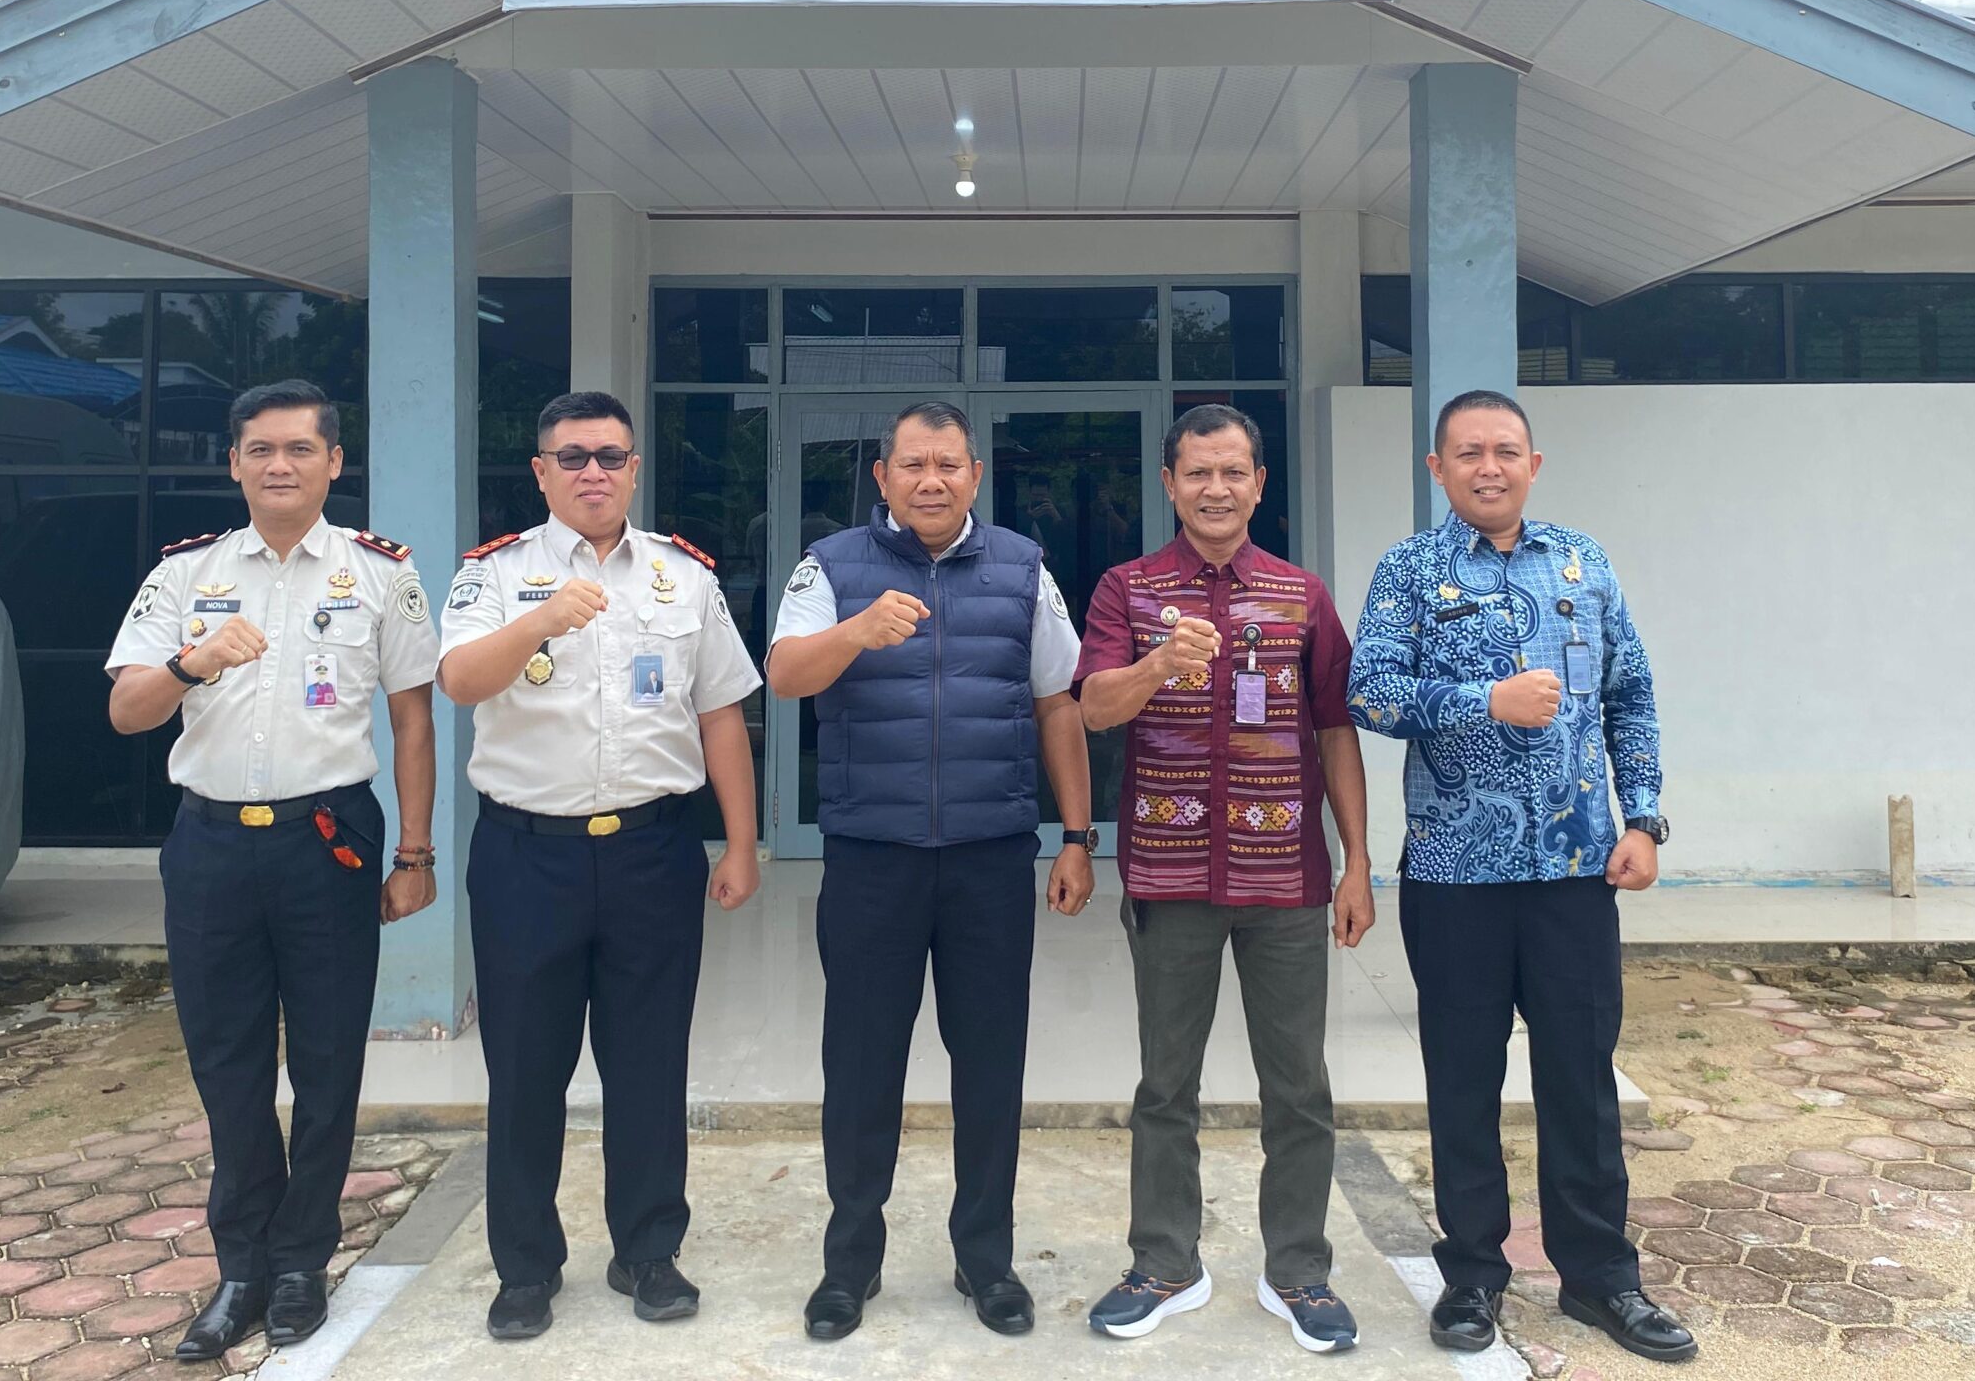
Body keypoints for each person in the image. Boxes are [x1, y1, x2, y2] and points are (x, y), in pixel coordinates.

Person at [1347, 391, 1694, 1366]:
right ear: (1438, 469)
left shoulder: (1583, 563)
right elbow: (1368, 692)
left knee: (1579, 1077)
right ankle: (1471, 1275)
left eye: (1505, 451)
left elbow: (1630, 692)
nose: (1488, 467)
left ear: (1533, 464)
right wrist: (1484, 699)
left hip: (1576, 868)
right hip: (1454, 873)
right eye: (1468, 453)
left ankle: (1599, 1277)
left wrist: (1644, 818)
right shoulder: (1409, 570)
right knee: (1462, 1079)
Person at [104, 379, 440, 1363]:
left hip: (326, 838)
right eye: (260, 449)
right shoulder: (186, 574)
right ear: (234, 464)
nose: (279, 465)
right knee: (228, 1063)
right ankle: (241, 1267)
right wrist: (194, 661)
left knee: (328, 1060)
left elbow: (414, 719)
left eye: (299, 448)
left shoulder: (379, 573)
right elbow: (127, 711)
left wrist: (414, 853)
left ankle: (301, 1262)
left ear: (334, 462)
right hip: (210, 843)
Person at [765, 398, 1096, 1342]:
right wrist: (855, 632)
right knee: (860, 1064)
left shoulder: (1023, 568)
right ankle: (849, 1264)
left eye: (949, 463)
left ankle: (986, 1259)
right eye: (913, 464)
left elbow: (1058, 701)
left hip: (991, 857)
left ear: (975, 475)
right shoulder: (830, 565)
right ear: (883, 476)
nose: (932, 480)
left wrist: (1077, 834)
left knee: (990, 1063)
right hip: (873, 857)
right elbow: (784, 675)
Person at [438, 390, 762, 1341]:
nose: (593, 472)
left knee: (649, 1064)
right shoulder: (494, 574)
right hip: (524, 855)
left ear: (633, 469)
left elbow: (721, 713)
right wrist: (539, 621)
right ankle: (525, 1267)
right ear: (540, 472)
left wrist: (741, 843)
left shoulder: (682, 576)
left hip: (652, 852)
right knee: (524, 1070)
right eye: (572, 456)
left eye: (610, 456)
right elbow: (458, 680)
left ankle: (649, 1251)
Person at [1073, 403, 1375, 1355]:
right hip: (1170, 879)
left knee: (1300, 1086)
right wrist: (1161, 661)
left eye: (1233, 471)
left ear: (1259, 484)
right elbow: (1093, 708)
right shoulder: (1128, 589)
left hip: (1286, 880)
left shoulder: (1302, 595)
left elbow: (1335, 729)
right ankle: (1165, 1263)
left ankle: (1300, 1272)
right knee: (1166, 1084)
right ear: (1169, 484)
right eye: (1198, 473)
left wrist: (1359, 862)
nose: (1216, 489)